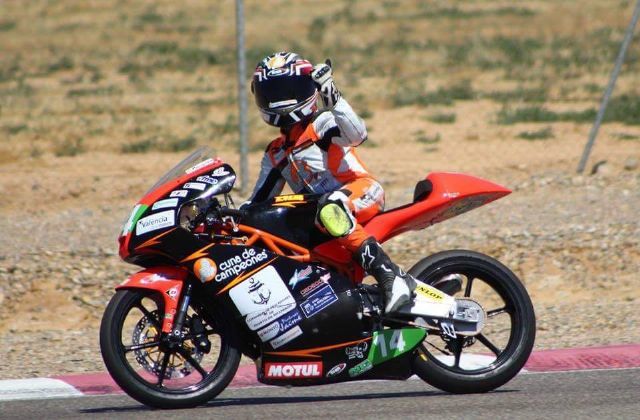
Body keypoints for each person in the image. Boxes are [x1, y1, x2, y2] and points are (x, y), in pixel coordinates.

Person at [247, 51, 416, 313]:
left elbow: (357, 135)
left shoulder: (322, 124)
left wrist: (331, 94)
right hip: (323, 217)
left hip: (362, 191)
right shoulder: (275, 152)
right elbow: (255, 204)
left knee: (330, 206)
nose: (280, 99)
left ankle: (391, 276)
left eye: (288, 90)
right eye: (272, 92)